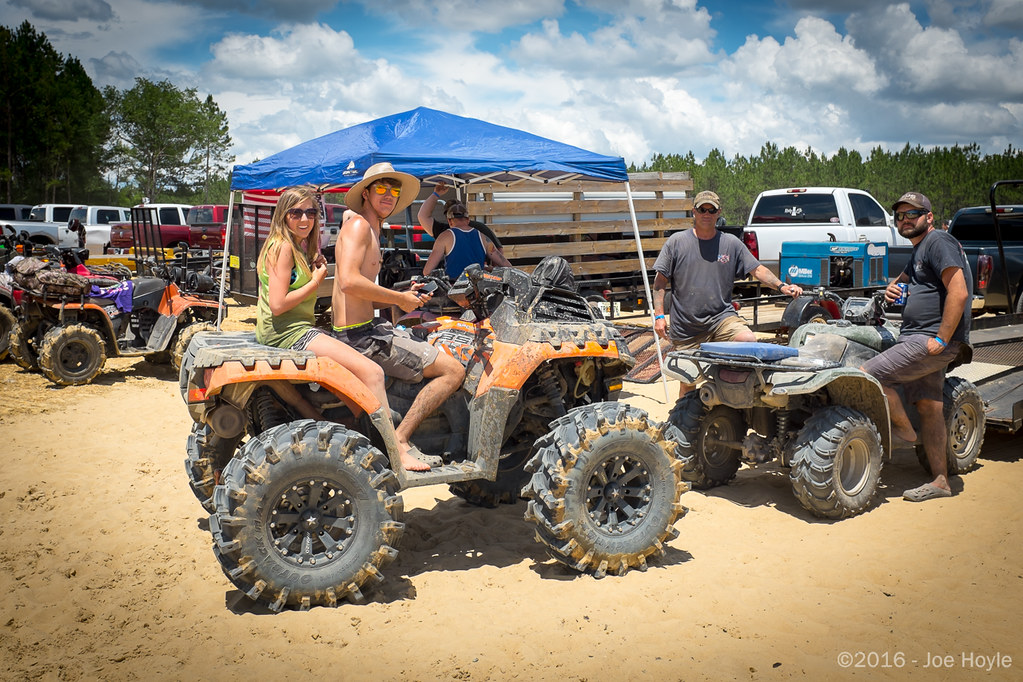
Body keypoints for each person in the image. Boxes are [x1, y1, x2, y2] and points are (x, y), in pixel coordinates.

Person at [331, 162, 465, 471]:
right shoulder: (359, 226)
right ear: (366, 193)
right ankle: (400, 441)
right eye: (381, 188)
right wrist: (399, 299)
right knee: (453, 371)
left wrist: (405, 294)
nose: (388, 195)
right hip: (362, 336)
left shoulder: (371, 227)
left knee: (427, 338)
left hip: (366, 328)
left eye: (394, 190)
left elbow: (361, 290)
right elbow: (348, 281)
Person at [861, 191, 971, 502]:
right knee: (930, 406)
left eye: (913, 214)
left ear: (929, 217)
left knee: (868, 375)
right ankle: (940, 481)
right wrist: (892, 288)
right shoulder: (920, 250)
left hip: (927, 339)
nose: (905, 220)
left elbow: (959, 292)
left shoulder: (939, 242)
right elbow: (902, 280)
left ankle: (904, 432)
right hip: (919, 337)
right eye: (900, 216)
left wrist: (941, 339)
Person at [256, 186, 395, 428]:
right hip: (289, 332)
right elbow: (278, 305)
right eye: (296, 213)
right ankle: (392, 441)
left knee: (348, 377)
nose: (304, 219)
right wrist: (315, 282)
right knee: (373, 373)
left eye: (310, 213)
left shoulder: (293, 245)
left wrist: (311, 268)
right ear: (283, 215)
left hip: (288, 329)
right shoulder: (283, 248)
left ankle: (358, 424)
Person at [652, 190, 803, 397]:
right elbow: (660, 282)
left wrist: (781, 286)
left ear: (718, 212)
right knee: (688, 384)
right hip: (687, 327)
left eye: (711, 210)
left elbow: (757, 270)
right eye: (702, 209)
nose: (706, 214)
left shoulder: (730, 243)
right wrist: (659, 316)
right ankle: (684, 414)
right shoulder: (676, 242)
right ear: (694, 212)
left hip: (720, 319)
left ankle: (727, 394)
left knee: (747, 340)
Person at [421, 199, 511, 278]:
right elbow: (507, 265)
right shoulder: (483, 237)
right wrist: (489, 269)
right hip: (478, 287)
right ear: (468, 219)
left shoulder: (444, 237)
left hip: (454, 287)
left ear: (449, 221)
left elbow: (427, 271)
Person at [417, 180, 506, 258]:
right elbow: (499, 251)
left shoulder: (479, 229)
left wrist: (436, 194)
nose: (458, 217)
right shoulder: (445, 231)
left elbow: (498, 250)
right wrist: (436, 194)